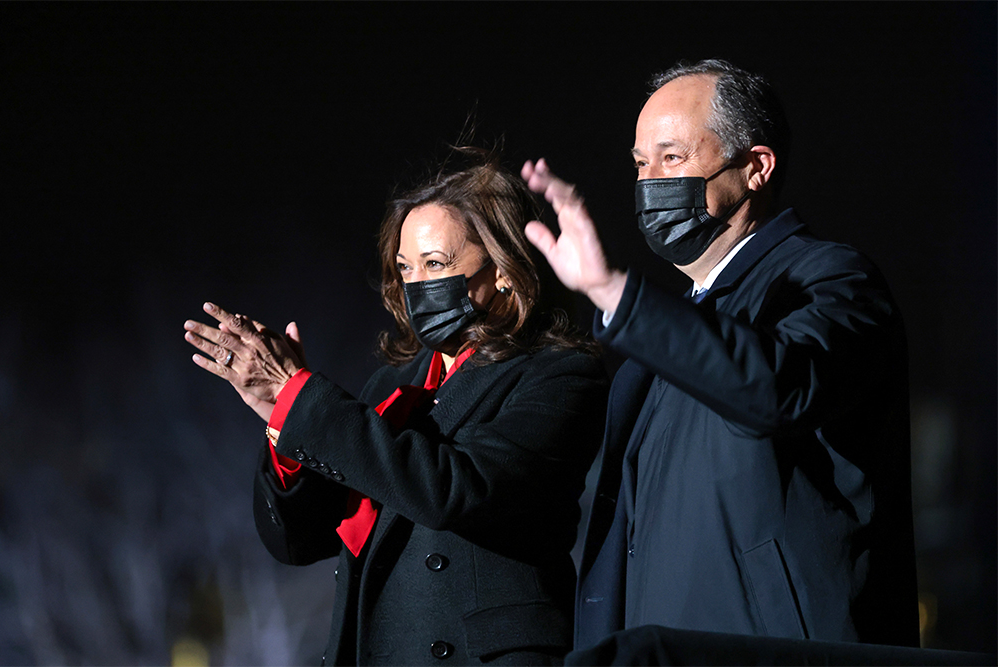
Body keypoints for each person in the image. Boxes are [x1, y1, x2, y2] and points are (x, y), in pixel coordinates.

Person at [520, 59, 919, 653]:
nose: (650, 181)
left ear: (756, 168)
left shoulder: (830, 277)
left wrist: (613, 293)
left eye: (672, 157)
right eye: (640, 164)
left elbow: (782, 386)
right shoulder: (658, 341)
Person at [183, 153, 609, 665]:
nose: (415, 286)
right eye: (406, 268)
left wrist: (303, 398)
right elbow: (298, 542)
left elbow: (454, 489)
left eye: (435, 264)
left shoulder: (559, 372)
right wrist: (283, 419)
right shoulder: (393, 383)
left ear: (501, 268)